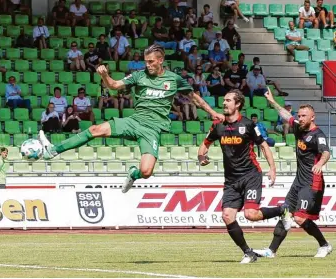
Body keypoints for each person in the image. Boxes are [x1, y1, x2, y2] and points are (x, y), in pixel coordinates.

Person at [38, 44, 224, 193]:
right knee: (95, 129)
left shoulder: (174, 79)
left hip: (152, 129)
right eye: (146, 61)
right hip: (134, 121)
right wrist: (104, 76)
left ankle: (133, 174)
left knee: (146, 171)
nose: (148, 65)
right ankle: (52, 150)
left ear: (161, 60)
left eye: (151, 61)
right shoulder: (138, 76)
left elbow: (194, 98)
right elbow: (113, 85)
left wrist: (213, 113)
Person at [198, 89, 288, 264]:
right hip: (231, 180)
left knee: (251, 214)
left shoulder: (248, 125)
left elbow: (263, 146)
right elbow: (204, 146)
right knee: (227, 216)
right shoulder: (218, 125)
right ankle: (248, 253)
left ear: (237, 104)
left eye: (228, 100)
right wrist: (202, 157)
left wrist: (272, 168)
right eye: (224, 100)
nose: (224, 103)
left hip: (250, 175)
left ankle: (282, 210)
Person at [254, 88, 333, 259]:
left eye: (304, 116)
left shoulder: (318, 135)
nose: (300, 118)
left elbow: (326, 152)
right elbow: (284, 114)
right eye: (299, 115)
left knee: (299, 218)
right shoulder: (298, 127)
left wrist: (320, 163)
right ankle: (271, 251)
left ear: (312, 117)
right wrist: (272, 101)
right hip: (298, 182)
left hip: (312, 182)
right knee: (286, 213)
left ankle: (325, 245)